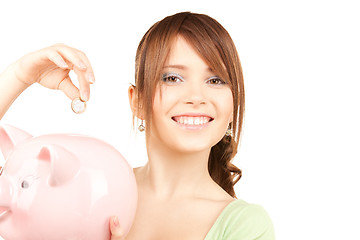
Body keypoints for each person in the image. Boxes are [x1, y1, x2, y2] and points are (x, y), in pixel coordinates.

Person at [0, 12, 275, 240]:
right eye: (173, 78)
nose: (196, 97)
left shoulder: (246, 226)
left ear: (232, 105)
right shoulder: (95, 189)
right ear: (138, 101)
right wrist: (18, 76)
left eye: (215, 80)